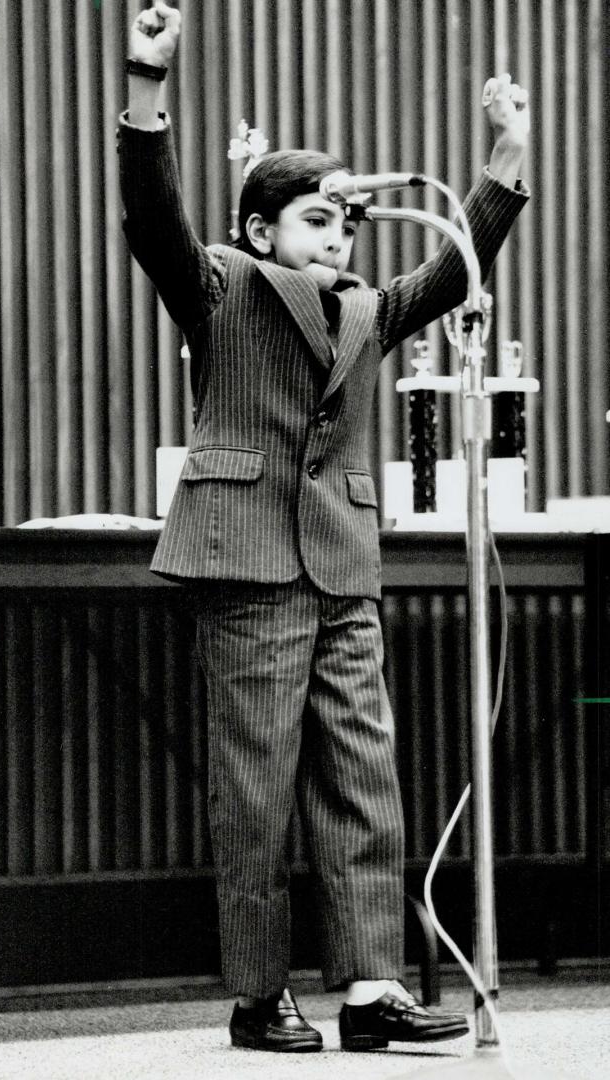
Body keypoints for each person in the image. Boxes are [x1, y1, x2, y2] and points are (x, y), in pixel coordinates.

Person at [117, 1, 530, 1055]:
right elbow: (151, 216)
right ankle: (258, 993)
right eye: (315, 217)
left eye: (345, 220)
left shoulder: (365, 306)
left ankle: (368, 990)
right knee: (254, 783)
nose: (337, 234)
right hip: (249, 557)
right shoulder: (223, 283)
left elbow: (451, 268)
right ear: (260, 229)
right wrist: (146, 91)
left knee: (363, 774)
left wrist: (505, 152)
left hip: (343, 563)